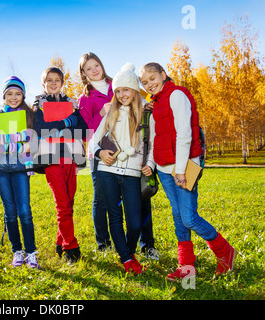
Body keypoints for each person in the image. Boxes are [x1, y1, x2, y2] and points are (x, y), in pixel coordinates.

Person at [138, 62, 237, 280]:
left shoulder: (176, 95)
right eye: (145, 82)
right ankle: (186, 266)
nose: (150, 84)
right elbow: (155, 140)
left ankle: (225, 252)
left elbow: (184, 134)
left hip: (186, 166)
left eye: (153, 78)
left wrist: (181, 171)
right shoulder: (156, 104)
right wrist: (153, 164)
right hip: (165, 169)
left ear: (163, 75)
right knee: (178, 217)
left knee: (190, 217)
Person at [89, 63, 155, 275]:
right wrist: (100, 153)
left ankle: (129, 251)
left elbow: (152, 144)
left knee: (135, 222)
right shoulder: (111, 114)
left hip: (133, 175)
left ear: (134, 89)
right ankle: (127, 259)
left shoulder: (146, 114)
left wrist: (150, 165)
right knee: (115, 217)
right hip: (107, 172)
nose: (121, 94)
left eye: (125, 89)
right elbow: (92, 143)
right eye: (117, 91)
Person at [32, 67, 88, 263]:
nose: (53, 83)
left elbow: (83, 129)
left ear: (62, 83)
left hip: (71, 157)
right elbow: (39, 130)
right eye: (49, 80)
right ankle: (71, 247)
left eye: (57, 80)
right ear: (44, 83)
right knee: (62, 205)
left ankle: (59, 242)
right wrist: (65, 123)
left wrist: (57, 126)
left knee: (69, 204)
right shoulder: (38, 105)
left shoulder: (72, 103)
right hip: (50, 159)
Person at [0, 76, 39, 269]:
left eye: (18, 94)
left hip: (21, 169)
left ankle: (31, 252)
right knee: (10, 212)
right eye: (9, 94)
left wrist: (10, 140)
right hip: (2, 170)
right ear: (4, 96)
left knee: (25, 211)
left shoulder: (29, 115)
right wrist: (21, 138)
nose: (14, 98)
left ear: (23, 96)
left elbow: (34, 141)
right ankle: (17, 250)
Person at [78, 52, 114, 251]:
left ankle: (121, 239)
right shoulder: (85, 98)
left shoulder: (116, 85)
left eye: (96, 65)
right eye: (89, 68)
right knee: (101, 199)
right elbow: (85, 133)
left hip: (122, 149)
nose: (94, 70)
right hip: (97, 152)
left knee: (119, 199)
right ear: (84, 74)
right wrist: (101, 113)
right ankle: (103, 243)